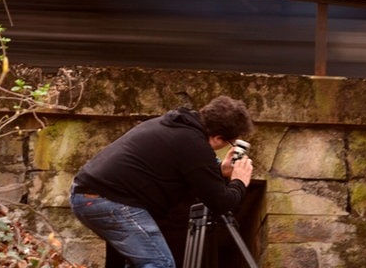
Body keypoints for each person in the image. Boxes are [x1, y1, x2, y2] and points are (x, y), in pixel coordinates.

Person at [69, 95, 255, 268]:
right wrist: (239, 181)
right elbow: (220, 203)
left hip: (91, 196)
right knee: (160, 264)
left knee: (142, 262)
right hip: (108, 201)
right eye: (230, 142)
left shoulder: (177, 125)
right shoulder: (193, 143)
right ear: (218, 138)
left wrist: (219, 170)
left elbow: (190, 167)